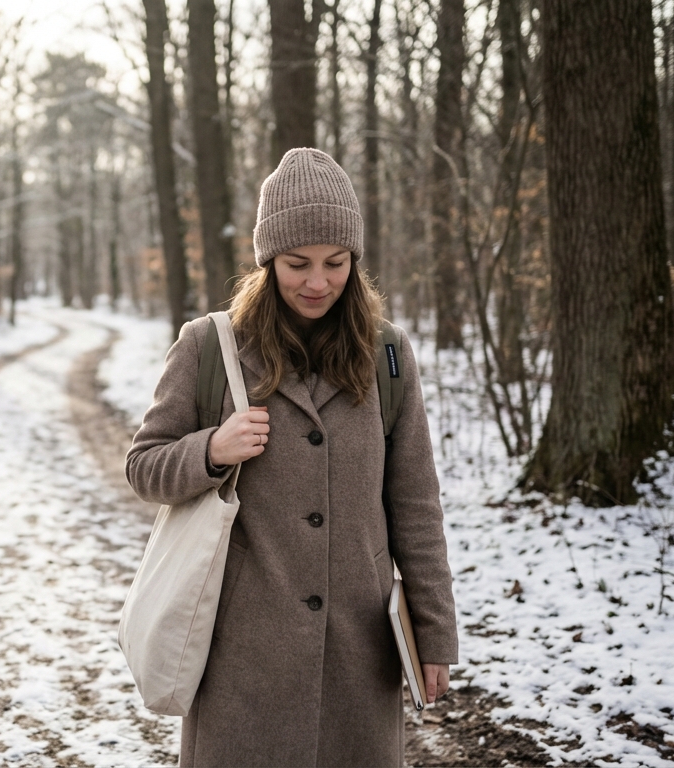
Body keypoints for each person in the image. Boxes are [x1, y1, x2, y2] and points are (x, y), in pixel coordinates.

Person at [125, 148, 458, 767]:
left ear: (354, 262)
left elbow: (416, 502)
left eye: (335, 263)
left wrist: (433, 634)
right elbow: (144, 466)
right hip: (243, 657)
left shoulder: (386, 355)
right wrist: (212, 450)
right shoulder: (208, 347)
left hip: (361, 652)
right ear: (266, 260)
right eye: (296, 263)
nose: (317, 281)